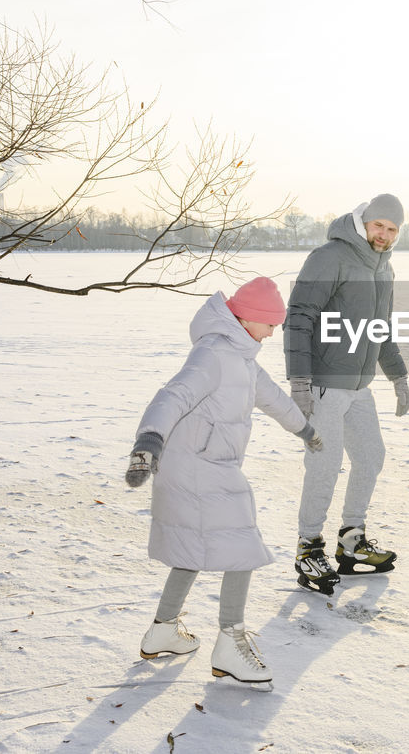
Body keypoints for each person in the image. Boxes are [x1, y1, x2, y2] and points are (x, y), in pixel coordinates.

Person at [126, 276, 322, 687]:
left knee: (194, 550)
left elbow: (273, 399)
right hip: (194, 463)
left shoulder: (243, 357)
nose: (273, 332)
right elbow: (173, 395)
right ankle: (230, 644)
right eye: (270, 324)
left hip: (205, 462)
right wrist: (149, 441)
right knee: (243, 546)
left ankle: (163, 630)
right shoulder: (213, 353)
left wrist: (304, 429)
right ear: (248, 318)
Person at [284, 194, 409, 595]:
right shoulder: (330, 257)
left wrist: (398, 376)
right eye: (379, 226)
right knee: (325, 465)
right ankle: (309, 547)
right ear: (363, 221)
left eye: (392, 230)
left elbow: (382, 328)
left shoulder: (383, 269)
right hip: (323, 383)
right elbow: (299, 318)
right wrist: (300, 382)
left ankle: (351, 541)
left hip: (358, 387)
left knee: (371, 457)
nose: (384, 235)